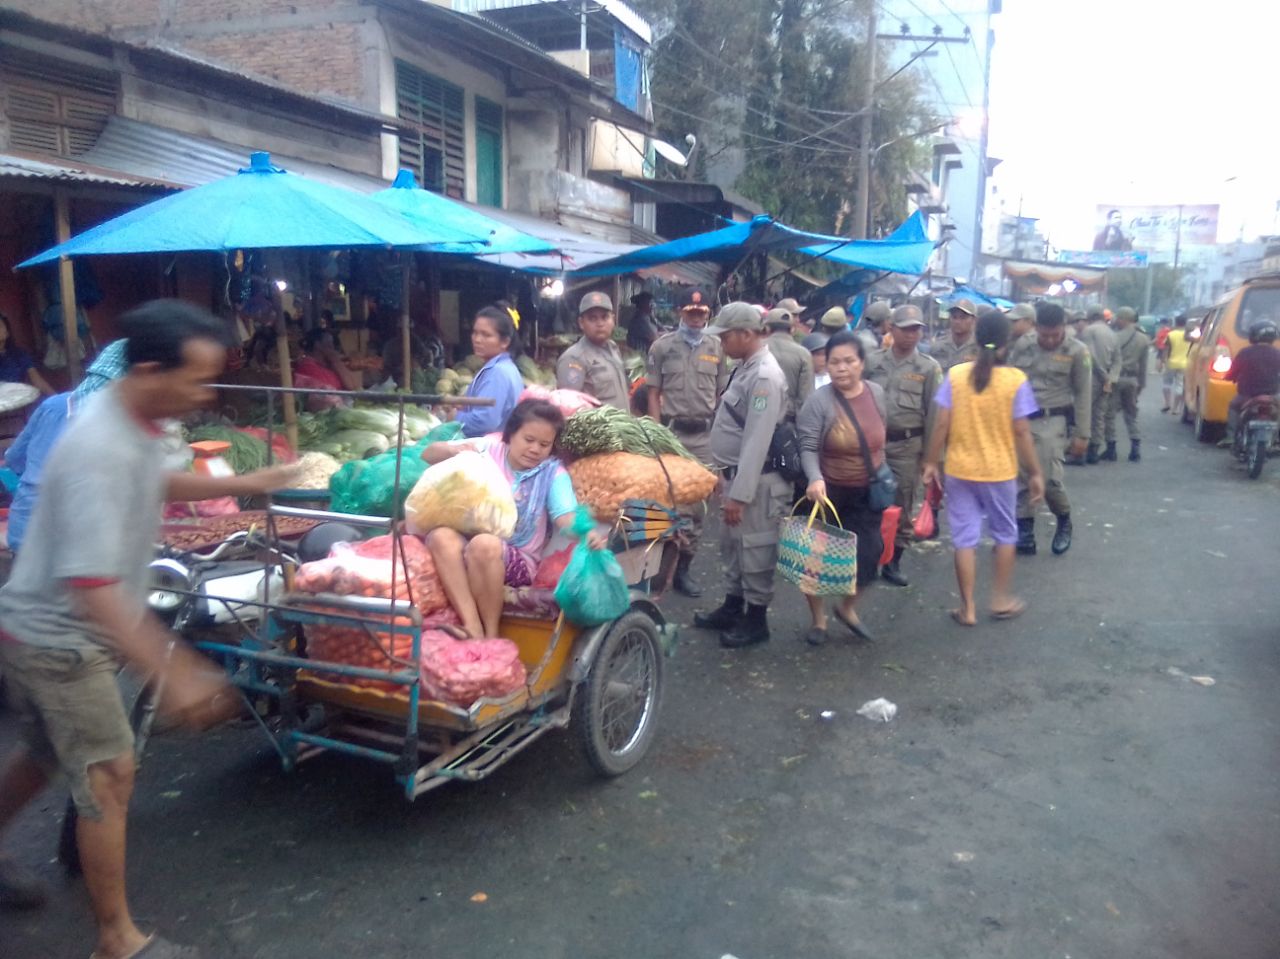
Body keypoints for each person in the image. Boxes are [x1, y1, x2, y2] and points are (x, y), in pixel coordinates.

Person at [0, 300, 296, 958]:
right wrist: (174, 666)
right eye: (196, 378)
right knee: (110, 770)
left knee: (47, 754)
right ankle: (118, 941)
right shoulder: (98, 444)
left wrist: (249, 478)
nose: (205, 393)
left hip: (44, 626)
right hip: (58, 637)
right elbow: (93, 587)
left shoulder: (129, 416)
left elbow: (154, 479)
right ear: (151, 368)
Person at [421, 399, 606, 640]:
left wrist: (586, 532)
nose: (535, 449)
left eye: (544, 444)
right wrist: (456, 452)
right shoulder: (488, 448)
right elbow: (428, 453)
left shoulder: (553, 472)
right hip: (470, 543)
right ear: (510, 435)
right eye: (528, 440)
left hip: (518, 559)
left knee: (484, 544)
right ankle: (472, 625)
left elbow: (565, 516)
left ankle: (490, 634)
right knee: (440, 537)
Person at [922, 310, 1044, 626]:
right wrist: (1035, 472)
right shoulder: (1016, 380)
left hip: (959, 470)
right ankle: (1000, 599)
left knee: (964, 539)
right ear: (1007, 342)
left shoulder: (956, 375)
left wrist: (931, 462)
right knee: (1005, 534)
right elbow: (1021, 431)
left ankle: (968, 608)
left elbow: (941, 424)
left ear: (977, 338)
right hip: (1000, 472)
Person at [691, 303, 789, 649]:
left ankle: (756, 618)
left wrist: (739, 494)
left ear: (746, 334)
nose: (721, 343)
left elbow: (757, 440)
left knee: (755, 550)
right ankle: (734, 606)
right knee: (733, 547)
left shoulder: (763, 376)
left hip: (756, 483)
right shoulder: (745, 367)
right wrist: (723, 476)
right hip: (735, 476)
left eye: (726, 336)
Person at [796, 331, 889, 645]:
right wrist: (814, 477)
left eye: (849, 361)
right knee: (815, 559)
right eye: (834, 361)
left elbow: (880, 437)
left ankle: (846, 608)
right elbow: (807, 446)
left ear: (862, 363)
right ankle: (818, 620)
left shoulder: (876, 393)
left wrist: (881, 469)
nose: (841, 368)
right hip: (826, 492)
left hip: (867, 491)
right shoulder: (819, 402)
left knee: (871, 554)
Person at [4, 340, 130, 553]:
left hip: (21, 533)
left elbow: (14, 458)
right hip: (70, 548)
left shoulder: (53, 404)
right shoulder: (119, 424)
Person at [646, 286, 729, 597]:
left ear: (708, 314)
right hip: (673, 434)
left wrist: (722, 437)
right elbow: (653, 393)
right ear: (680, 313)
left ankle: (684, 569)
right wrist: (655, 434)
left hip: (705, 436)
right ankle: (659, 565)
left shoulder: (718, 347)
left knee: (696, 506)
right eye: (690, 313)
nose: (695, 318)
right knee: (668, 501)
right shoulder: (662, 347)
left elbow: (722, 395)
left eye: (701, 313)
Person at [863, 305, 941, 586]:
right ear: (891, 329)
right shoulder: (873, 362)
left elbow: (935, 415)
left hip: (907, 445)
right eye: (906, 328)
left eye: (916, 329)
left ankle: (894, 560)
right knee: (867, 501)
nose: (912, 334)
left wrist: (931, 459)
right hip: (872, 444)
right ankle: (869, 556)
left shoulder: (929, 368)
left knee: (902, 503)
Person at [1007, 303, 1092, 556]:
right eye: (1045, 335)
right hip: (1023, 418)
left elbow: (1083, 393)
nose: (1051, 340)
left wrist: (1082, 434)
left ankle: (1064, 519)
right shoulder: (1023, 345)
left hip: (1054, 419)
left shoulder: (1078, 351)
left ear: (1063, 328)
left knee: (1046, 476)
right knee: (1021, 474)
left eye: (1055, 335)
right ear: (1037, 328)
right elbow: (1008, 381)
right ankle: (1025, 531)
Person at [456, 305, 524, 439]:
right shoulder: (503, 367)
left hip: (489, 450)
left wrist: (456, 417)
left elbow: (485, 422)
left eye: (486, 335)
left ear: (505, 342)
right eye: (475, 333)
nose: (477, 339)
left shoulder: (498, 372)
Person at [557, 292, 629, 411]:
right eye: (592, 318)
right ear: (581, 323)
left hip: (622, 426)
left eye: (604, 317)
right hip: (598, 429)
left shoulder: (613, 348)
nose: (600, 323)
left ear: (613, 319)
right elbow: (568, 409)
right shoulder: (574, 358)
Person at [1072, 307, 1120, 464]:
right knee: (1099, 415)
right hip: (1107, 380)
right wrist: (1111, 378)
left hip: (1091, 377)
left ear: (1089, 317)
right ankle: (1094, 451)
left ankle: (1079, 453)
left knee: (1083, 414)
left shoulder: (1088, 331)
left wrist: (1103, 376)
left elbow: (1090, 356)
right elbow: (1118, 360)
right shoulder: (1112, 333)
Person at [1105, 307, 1150, 462]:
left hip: (1115, 378)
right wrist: (1141, 385)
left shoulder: (1114, 337)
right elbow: (1143, 365)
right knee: (1131, 414)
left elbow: (1108, 359)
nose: (1116, 320)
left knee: (1109, 414)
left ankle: (1111, 449)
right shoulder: (1144, 338)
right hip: (1132, 380)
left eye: (1118, 318)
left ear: (1123, 319)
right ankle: (1135, 447)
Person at [1224, 321, 1280, 441]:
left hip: (1247, 395)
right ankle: (1276, 439)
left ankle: (1231, 437)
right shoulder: (1278, 354)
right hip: (1273, 396)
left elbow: (1232, 372)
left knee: (1233, 407)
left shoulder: (1245, 353)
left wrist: (1230, 377)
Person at [765, 307, 814, 421]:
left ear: (766, 328)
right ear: (792, 329)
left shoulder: (756, 349)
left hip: (755, 414)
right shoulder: (803, 354)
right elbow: (805, 397)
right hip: (786, 419)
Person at [0, 313, 54, 397]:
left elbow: (37, 381)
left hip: (17, 402)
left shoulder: (19, 354)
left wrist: (57, 398)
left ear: (7, 332)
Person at [931, 299, 980, 372]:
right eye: (954, 317)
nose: (957, 322)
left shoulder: (980, 348)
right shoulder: (938, 346)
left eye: (963, 317)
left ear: (974, 320)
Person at [1160, 314, 1192, 416]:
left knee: (1166, 384)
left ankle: (1167, 403)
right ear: (1185, 323)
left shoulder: (1171, 334)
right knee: (1180, 386)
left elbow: (1166, 349)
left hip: (1171, 363)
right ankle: (1175, 408)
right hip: (1185, 363)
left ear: (1176, 322)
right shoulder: (1189, 336)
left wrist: (1162, 361)